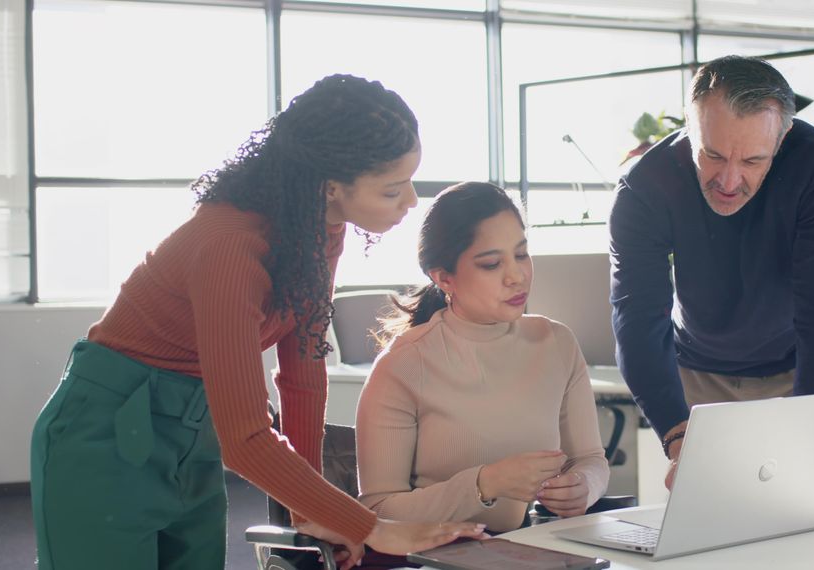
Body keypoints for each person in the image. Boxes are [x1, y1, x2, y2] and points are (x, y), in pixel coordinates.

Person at [29, 74, 485, 570]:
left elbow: (303, 373)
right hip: (105, 432)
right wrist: (368, 527)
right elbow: (246, 438)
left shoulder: (321, 230)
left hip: (193, 427)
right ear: (330, 186)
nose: (412, 201)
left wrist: (311, 510)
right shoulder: (229, 246)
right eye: (393, 189)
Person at [609, 55, 814, 488]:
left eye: (752, 161)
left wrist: (808, 428)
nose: (729, 180)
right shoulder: (645, 185)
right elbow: (637, 315)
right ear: (690, 128)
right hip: (701, 382)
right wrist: (675, 431)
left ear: (783, 138)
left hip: (809, 369)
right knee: (708, 543)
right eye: (712, 155)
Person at [356, 182, 609, 533]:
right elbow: (377, 511)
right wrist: (483, 484)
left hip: (529, 552)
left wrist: (584, 486)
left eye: (521, 254)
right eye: (491, 264)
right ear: (444, 278)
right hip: (436, 559)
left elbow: (591, 460)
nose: (517, 276)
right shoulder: (402, 365)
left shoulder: (557, 343)